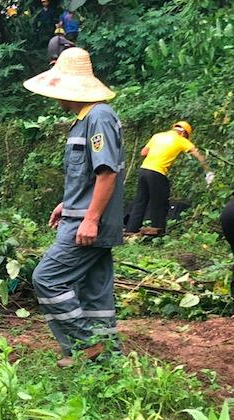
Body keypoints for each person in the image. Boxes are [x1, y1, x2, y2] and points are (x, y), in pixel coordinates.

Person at [24, 47, 125, 367]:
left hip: (87, 223)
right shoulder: (87, 120)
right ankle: (107, 359)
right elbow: (91, 175)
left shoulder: (98, 117)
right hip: (81, 215)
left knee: (46, 278)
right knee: (95, 292)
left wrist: (90, 218)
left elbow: (108, 172)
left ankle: (85, 344)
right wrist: (68, 203)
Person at [125, 121, 214, 237]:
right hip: (157, 172)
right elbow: (197, 154)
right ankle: (157, 233)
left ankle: (130, 231)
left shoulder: (157, 136)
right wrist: (208, 171)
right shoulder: (181, 140)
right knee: (159, 203)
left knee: (140, 201)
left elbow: (143, 152)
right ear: (184, 134)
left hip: (143, 170)